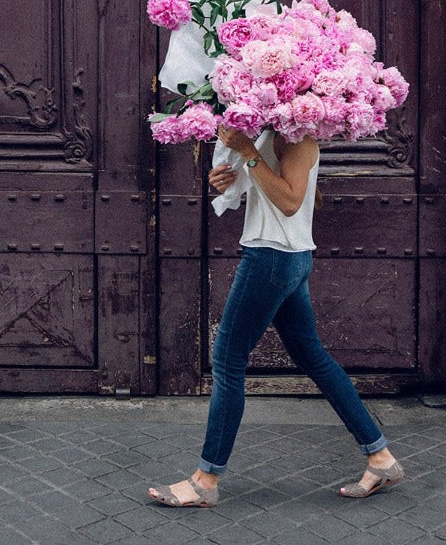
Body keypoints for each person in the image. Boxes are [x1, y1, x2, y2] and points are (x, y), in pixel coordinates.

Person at [149, 124, 404, 507]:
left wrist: (250, 153)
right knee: (311, 357)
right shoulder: (277, 135)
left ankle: (205, 481)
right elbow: (306, 195)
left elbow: (290, 203)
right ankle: (380, 458)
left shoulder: (298, 137)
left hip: (271, 257)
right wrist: (231, 179)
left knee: (228, 360)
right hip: (288, 257)